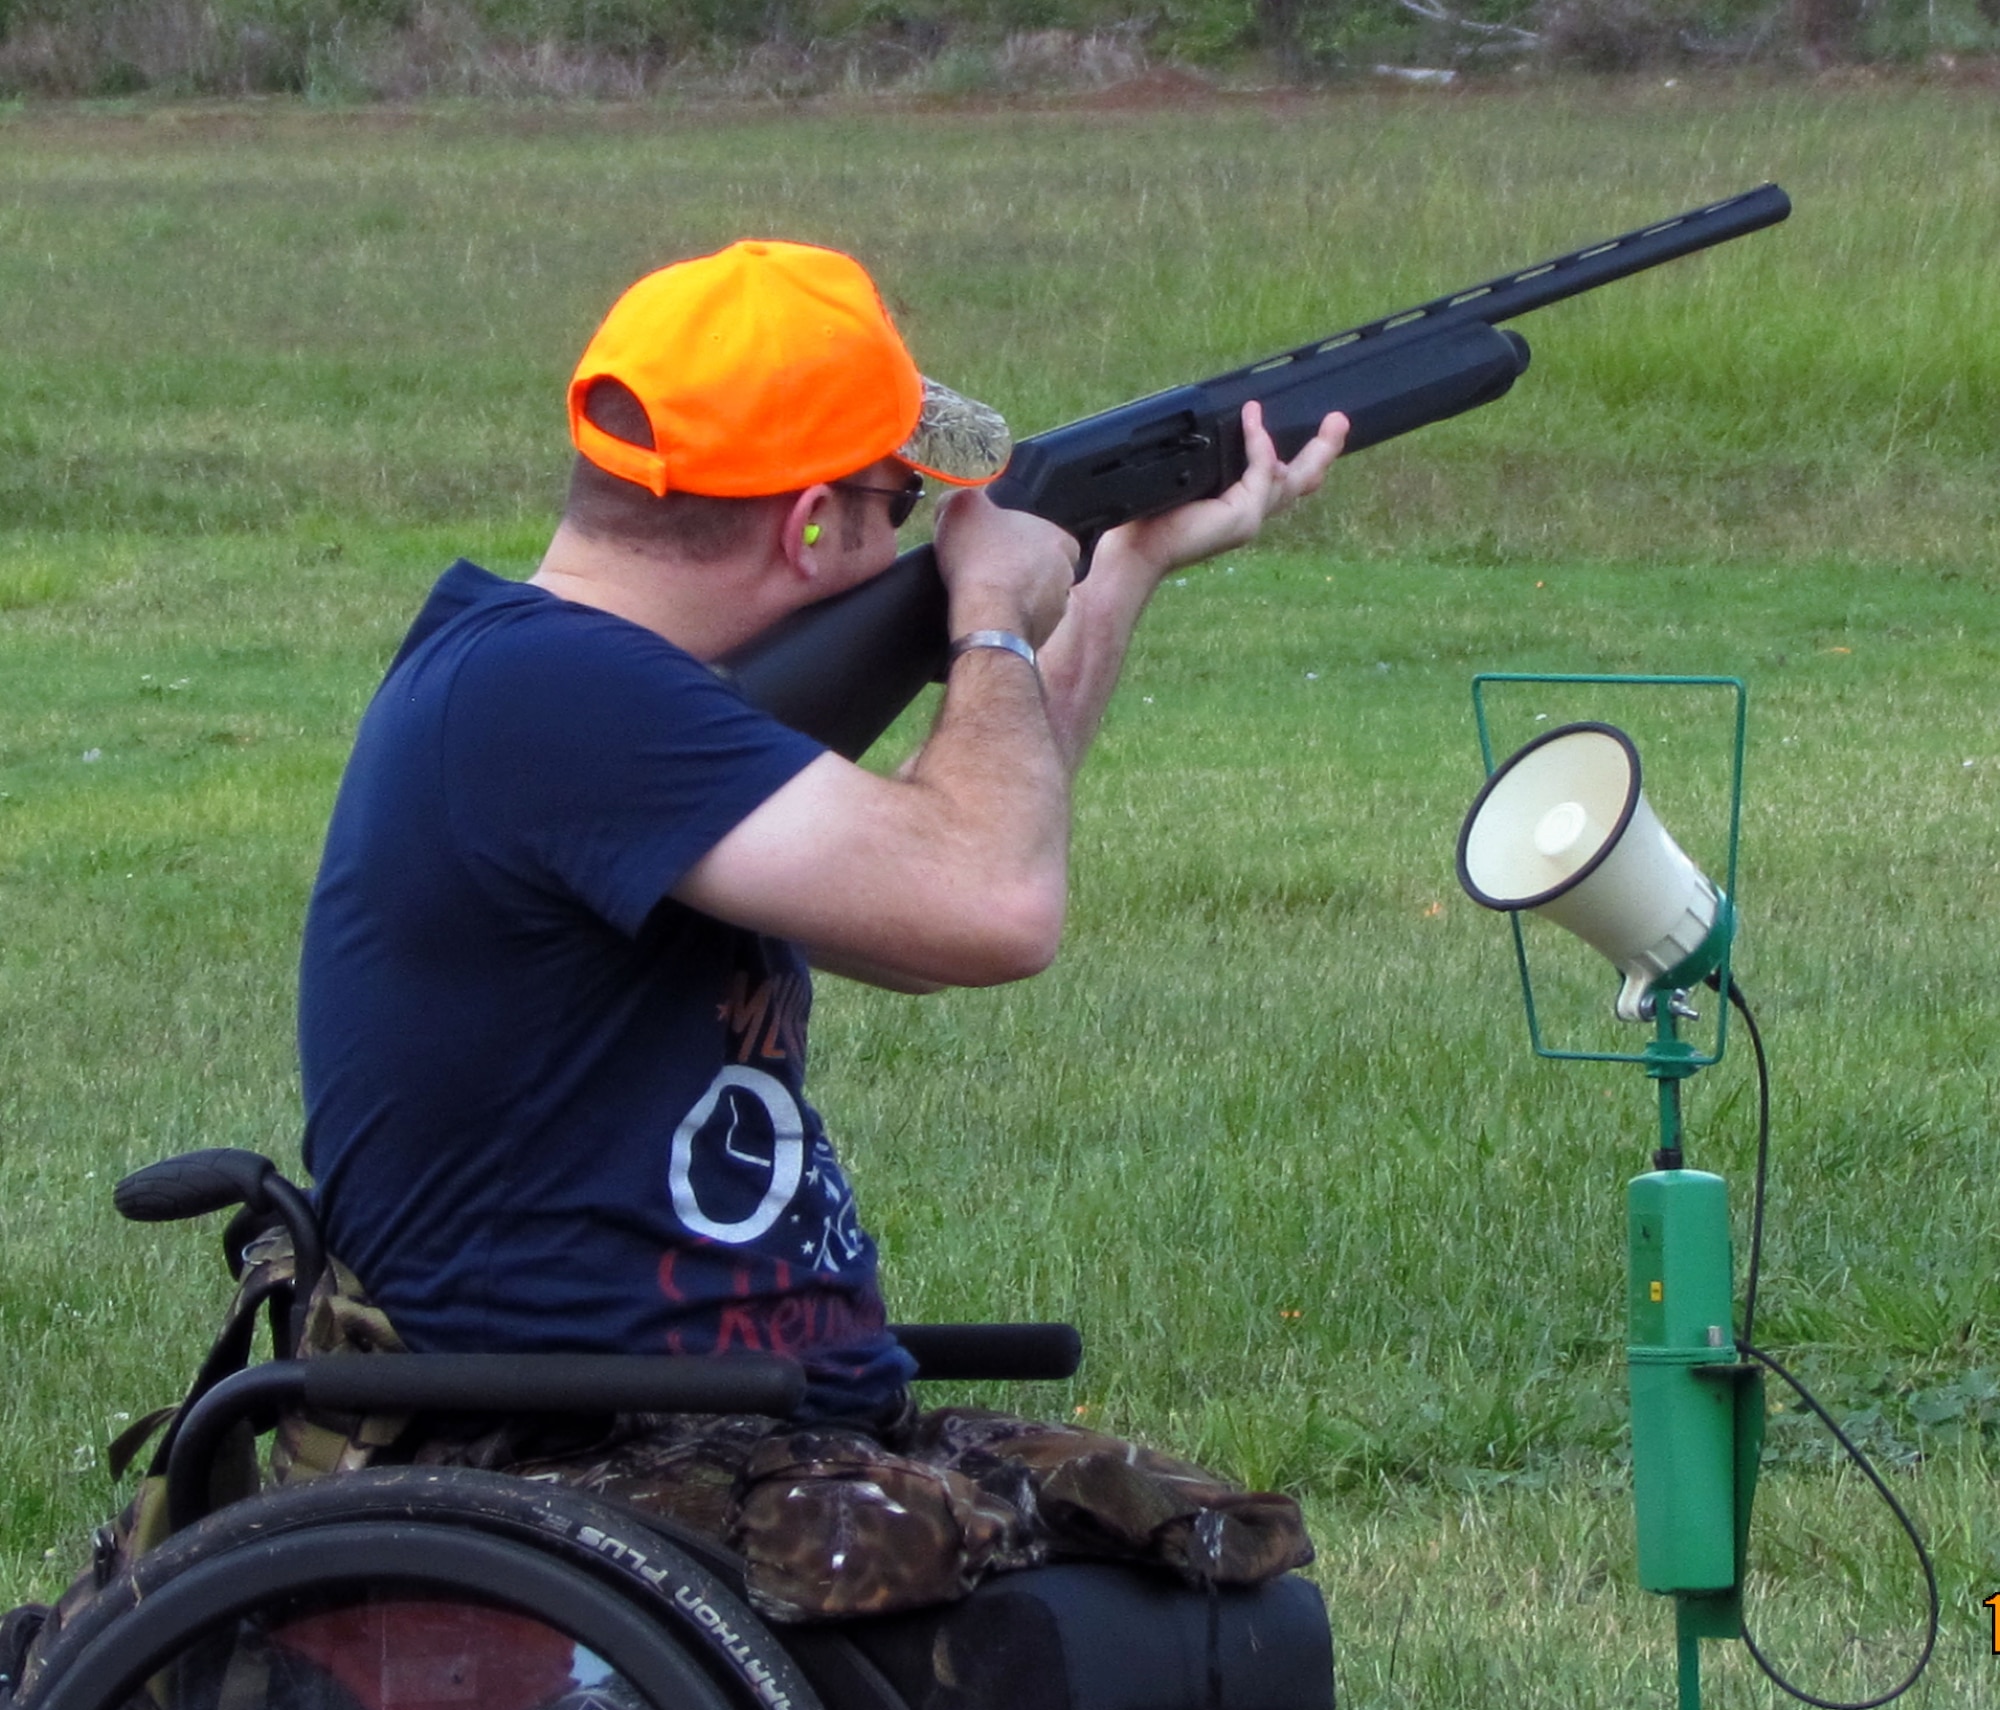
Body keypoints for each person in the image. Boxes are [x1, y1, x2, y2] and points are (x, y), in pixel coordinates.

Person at [295, 238, 1348, 1621]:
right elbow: (994, 906)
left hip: (753, 1435)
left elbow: (930, 901)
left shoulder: (590, 691)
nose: (922, 532)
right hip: (561, 1458)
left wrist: (1122, 569)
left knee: (1210, 1546)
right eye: (904, 500)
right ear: (807, 528)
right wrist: (983, 618)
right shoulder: (548, 694)